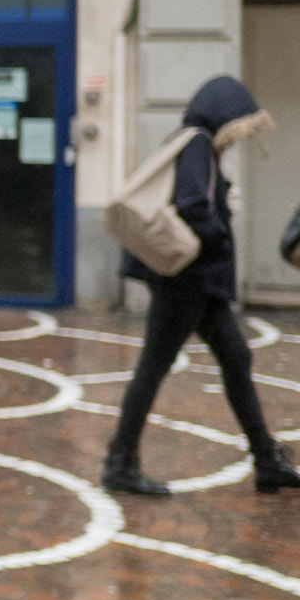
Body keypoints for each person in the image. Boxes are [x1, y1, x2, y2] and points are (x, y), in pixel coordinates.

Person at [104, 75, 299, 496]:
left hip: (197, 286)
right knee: (154, 368)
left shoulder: (189, 141)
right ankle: (119, 462)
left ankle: (266, 460)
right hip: (187, 283)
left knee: (236, 359)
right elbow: (193, 206)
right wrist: (220, 239)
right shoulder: (197, 144)